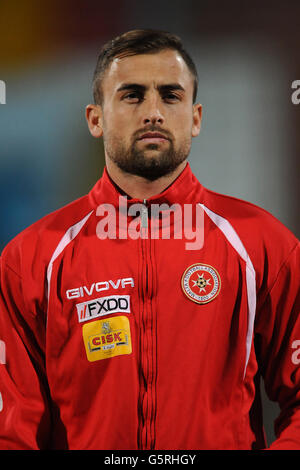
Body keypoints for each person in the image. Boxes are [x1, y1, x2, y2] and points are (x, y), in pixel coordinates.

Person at [0, 29, 299, 450]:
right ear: (95, 118)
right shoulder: (31, 258)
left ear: (195, 118)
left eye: (170, 95)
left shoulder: (263, 244)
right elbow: (13, 429)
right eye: (133, 95)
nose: (153, 112)